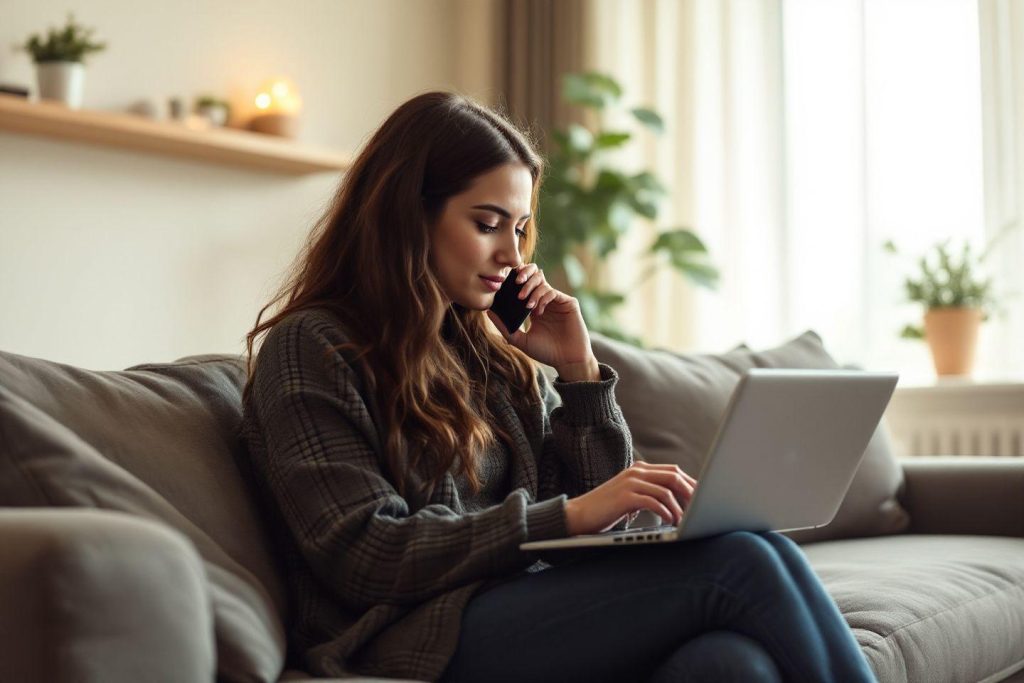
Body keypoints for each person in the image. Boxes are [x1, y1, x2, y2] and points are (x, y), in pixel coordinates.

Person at [239, 91, 877, 683]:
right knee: (742, 560)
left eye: (518, 229)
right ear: (408, 217)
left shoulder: (491, 353)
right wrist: (568, 514)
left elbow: (604, 523)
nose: (512, 257)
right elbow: (365, 552)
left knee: (731, 665)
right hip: (412, 634)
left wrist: (578, 369)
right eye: (487, 224)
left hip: (521, 605)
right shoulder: (313, 348)